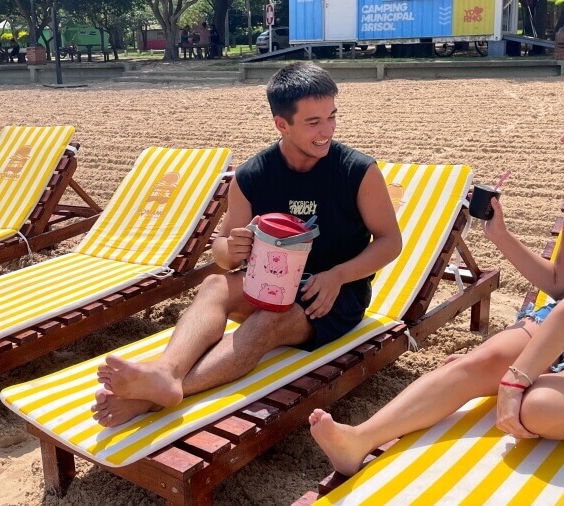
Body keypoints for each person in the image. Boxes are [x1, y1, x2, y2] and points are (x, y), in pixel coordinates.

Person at [309, 80, 564, 476]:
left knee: (537, 407)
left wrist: (517, 378)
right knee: (464, 369)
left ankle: (538, 376)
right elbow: (563, 287)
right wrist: (502, 236)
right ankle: (357, 439)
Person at [92, 62, 402, 427]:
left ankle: (156, 399)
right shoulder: (253, 175)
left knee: (272, 319)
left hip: (333, 296)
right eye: (313, 122)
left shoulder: (356, 171)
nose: (327, 131)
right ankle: (165, 372)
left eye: (332, 117)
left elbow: (390, 242)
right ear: (281, 125)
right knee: (213, 285)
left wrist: (339, 275)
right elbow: (221, 252)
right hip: (268, 282)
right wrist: (232, 248)